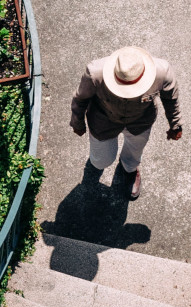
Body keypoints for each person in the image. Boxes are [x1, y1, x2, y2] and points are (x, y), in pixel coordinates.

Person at [69, 45, 182, 199]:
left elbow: (171, 99)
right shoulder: (94, 73)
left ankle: (130, 169)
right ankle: (98, 163)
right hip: (103, 122)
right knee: (100, 161)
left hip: (140, 122)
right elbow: (80, 99)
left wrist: (175, 124)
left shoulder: (163, 71)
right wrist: (77, 122)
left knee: (134, 153)